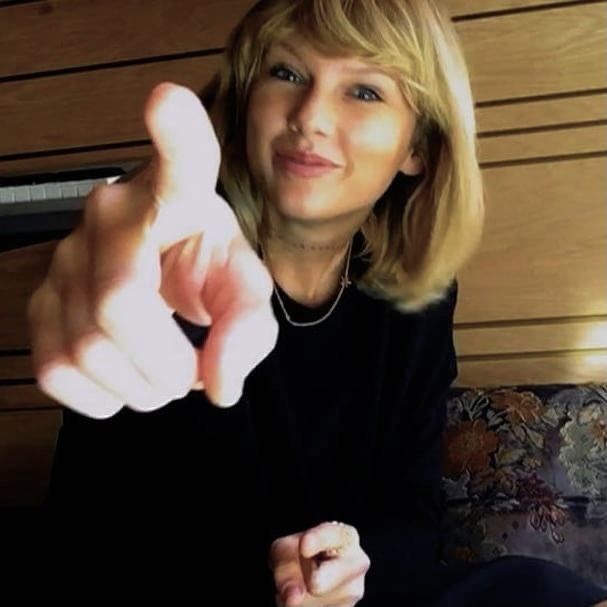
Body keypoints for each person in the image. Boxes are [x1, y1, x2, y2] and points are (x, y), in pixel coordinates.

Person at [27, 1, 607, 606]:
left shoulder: (417, 299)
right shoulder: (182, 257)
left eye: (363, 90)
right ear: (248, 103)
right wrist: (117, 269)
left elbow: (411, 511)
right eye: (286, 74)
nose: (311, 116)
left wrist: (348, 571)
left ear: (419, 148)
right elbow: (104, 538)